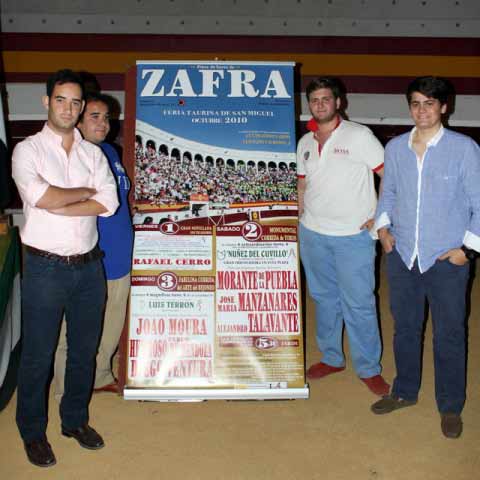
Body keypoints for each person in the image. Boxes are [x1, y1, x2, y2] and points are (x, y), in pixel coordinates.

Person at [11, 69, 118, 467]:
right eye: (61, 100)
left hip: (90, 269)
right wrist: (83, 192)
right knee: (38, 355)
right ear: (47, 102)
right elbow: (40, 197)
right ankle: (32, 431)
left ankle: (74, 420)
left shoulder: (94, 153)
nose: (69, 109)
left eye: (75, 102)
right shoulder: (28, 151)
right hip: (45, 269)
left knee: (83, 352)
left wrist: (62, 200)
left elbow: (109, 203)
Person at [371, 76, 480, 439]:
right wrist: (384, 232)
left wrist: (467, 251)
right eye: (416, 103)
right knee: (405, 328)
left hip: (446, 260)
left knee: (449, 334)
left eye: (429, 103)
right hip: (402, 256)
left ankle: (450, 406)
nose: (422, 110)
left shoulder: (464, 148)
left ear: (444, 107)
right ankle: (404, 391)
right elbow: (387, 195)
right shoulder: (396, 148)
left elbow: (479, 204)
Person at [297, 77, 389, 396]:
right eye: (315, 100)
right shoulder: (305, 142)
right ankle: (332, 357)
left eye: (326, 99)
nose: (320, 104)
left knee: (359, 303)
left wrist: (381, 215)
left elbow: (388, 174)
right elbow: (302, 184)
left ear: (339, 102)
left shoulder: (360, 135)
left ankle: (368, 367)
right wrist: (299, 217)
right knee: (324, 299)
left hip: (353, 236)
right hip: (312, 234)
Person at [54, 93, 133, 396]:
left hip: (120, 253)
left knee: (112, 322)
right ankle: (64, 389)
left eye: (107, 118)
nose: (103, 123)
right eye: (95, 117)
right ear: (79, 120)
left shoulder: (111, 151)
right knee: (71, 328)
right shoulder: (71, 154)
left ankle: (100, 374)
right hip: (88, 255)